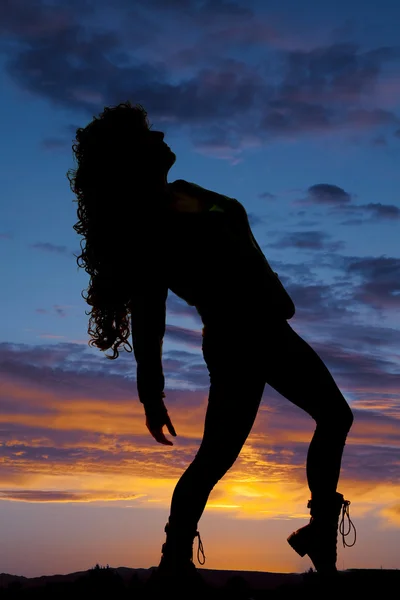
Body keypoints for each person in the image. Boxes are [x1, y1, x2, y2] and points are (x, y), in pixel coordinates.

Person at [67, 101, 356, 583]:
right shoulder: (148, 226)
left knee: (220, 456)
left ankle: (177, 558)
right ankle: (299, 535)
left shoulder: (182, 194)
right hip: (242, 333)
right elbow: (148, 311)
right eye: (147, 136)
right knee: (329, 417)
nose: (160, 136)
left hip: (255, 328)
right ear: (133, 157)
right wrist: (150, 390)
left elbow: (231, 219)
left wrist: (212, 211)